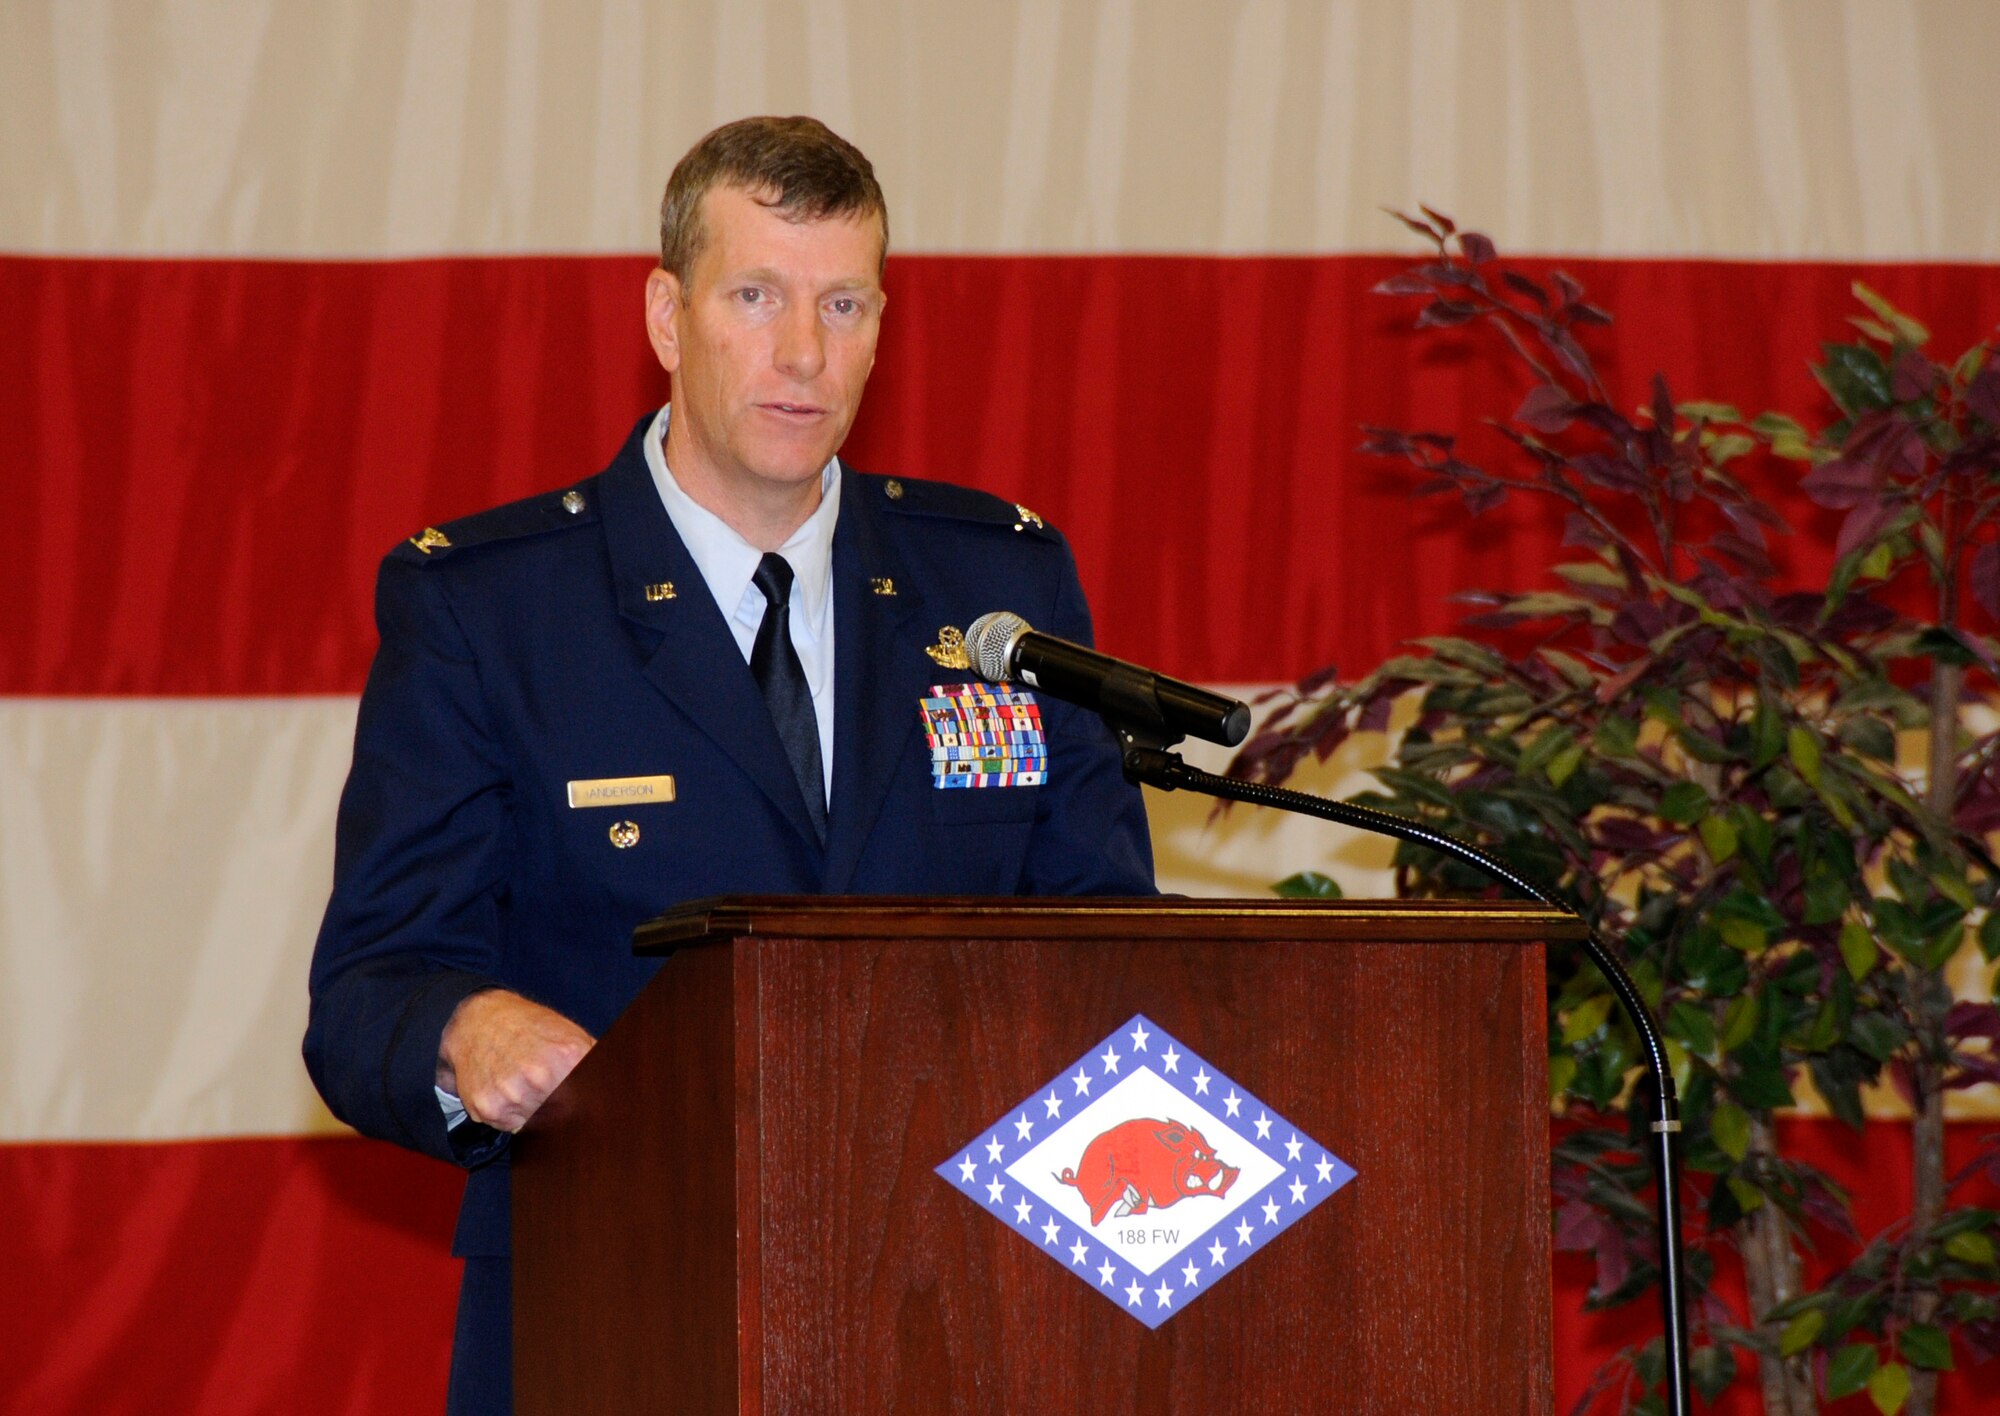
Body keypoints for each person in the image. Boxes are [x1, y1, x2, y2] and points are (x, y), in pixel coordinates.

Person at [302, 115, 1155, 1414]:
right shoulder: (494, 610)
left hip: (973, 1310)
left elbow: (1111, 945)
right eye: (755, 296)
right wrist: (464, 1028)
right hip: (615, 1309)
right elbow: (367, 994)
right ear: (666, 314)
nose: (803, 353)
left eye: (843, 304)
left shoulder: (997, 589)